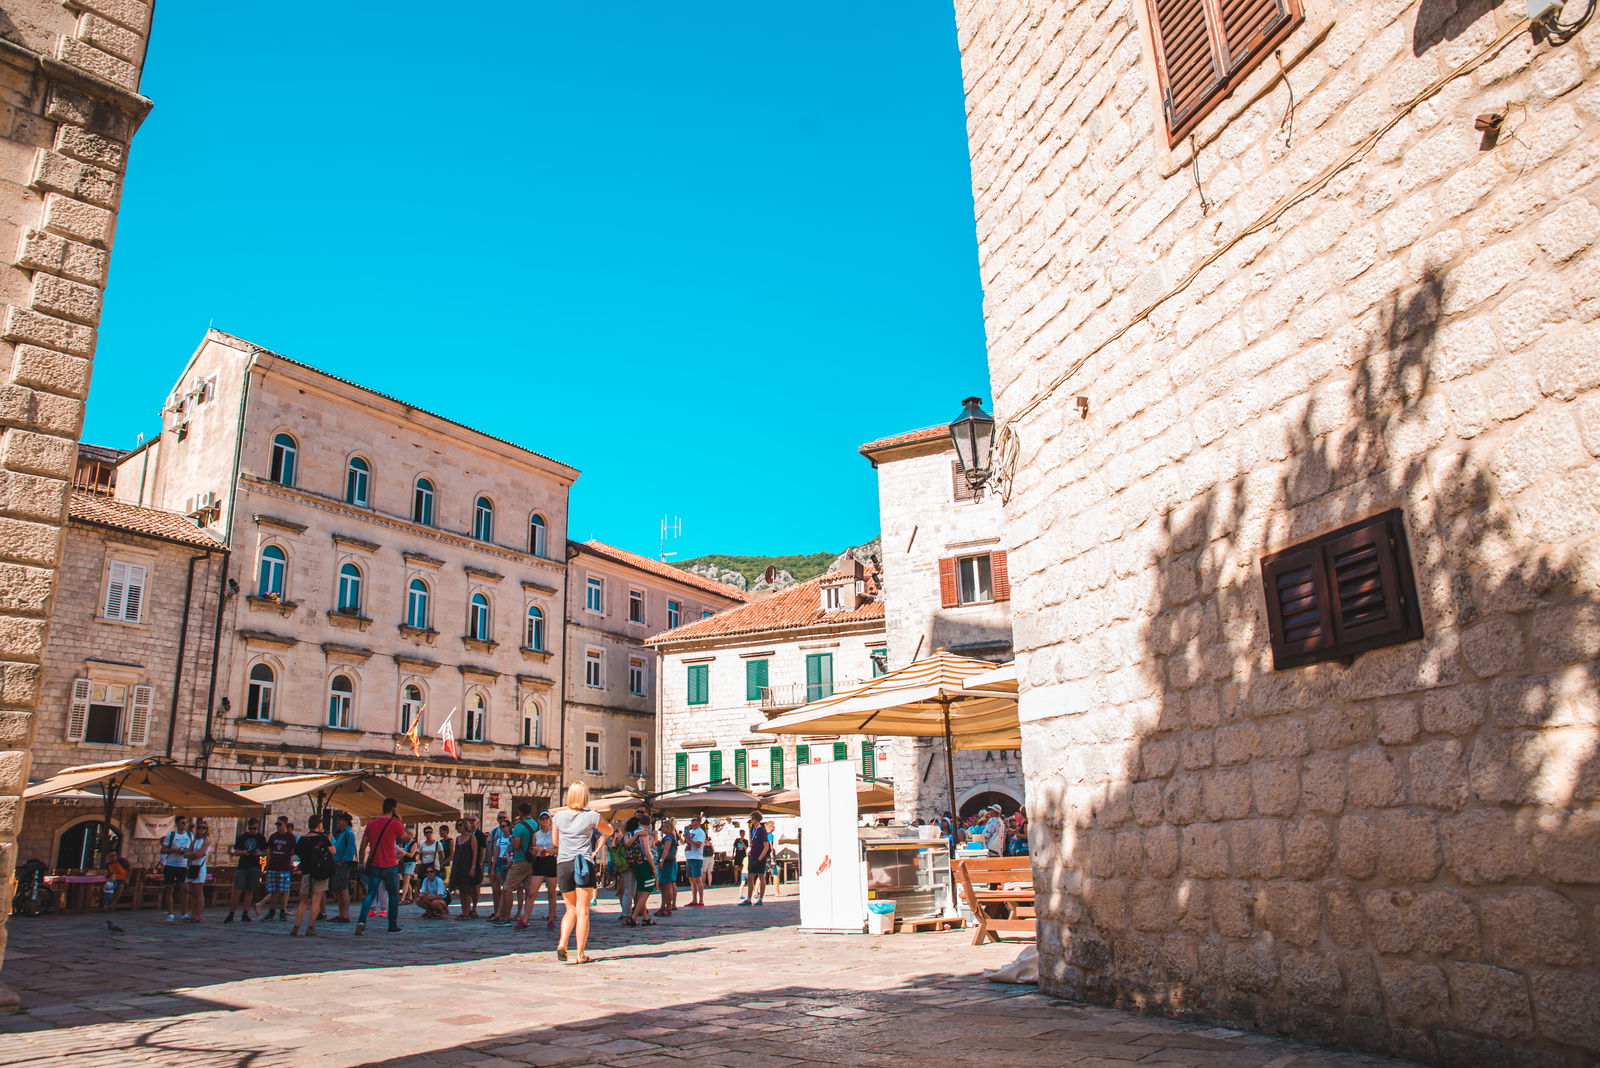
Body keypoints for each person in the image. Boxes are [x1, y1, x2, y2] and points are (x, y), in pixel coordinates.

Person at [552, 780, 612, 964]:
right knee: (583, 910)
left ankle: (562, 942)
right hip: (583, 864)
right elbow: (608, 830)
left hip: (563, 864)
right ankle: (580, 954)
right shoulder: (592, 816)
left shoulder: (558, 817)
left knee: (569, 908)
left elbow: (555, 843)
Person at [355, 798, 406, 935]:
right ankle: (392, 924)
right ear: (394, 808)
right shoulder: (395, 824)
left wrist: (361, 862)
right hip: (390, 864)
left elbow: (363, 846)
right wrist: (399, 820)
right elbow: (407, 838)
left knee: (371, 893)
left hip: (375, 865)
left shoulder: (371, 824)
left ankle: (361, 921)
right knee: (393, 895)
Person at [291, 814, 335, 937]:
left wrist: (296, 868)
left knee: (303, 901)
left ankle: (296, 926)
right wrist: (329, 838)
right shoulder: (322, 839)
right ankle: (310, 927)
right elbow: (333, 851)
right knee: (316, 901)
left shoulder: (303, 839)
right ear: (319, 825)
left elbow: (296, 856)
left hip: (306, 872)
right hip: (320, 872)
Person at [223, 817, 267, 924]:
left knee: (249, 891)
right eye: (251, 828)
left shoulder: (261, 838)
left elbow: (265, 852)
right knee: (237, 891)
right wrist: (244, 852)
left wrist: (258, 854)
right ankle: (231, 913)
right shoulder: (242, 837)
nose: (253, 831)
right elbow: (236, 851)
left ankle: (245, 913)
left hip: (255, 866)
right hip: (243, 865)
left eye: (255, 828)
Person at [622, 816, 659, 927]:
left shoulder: (631, 833)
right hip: (644, 863)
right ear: (649, 824)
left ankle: (645, 917)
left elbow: (627, 845)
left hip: (634, 863)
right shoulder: (644, 834)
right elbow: (647, 852)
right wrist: (653, 867)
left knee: (640, 891)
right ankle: (633, 917)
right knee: (646, 891)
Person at [504, 803, 536, 931]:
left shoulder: (519, 826)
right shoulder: (536, 824)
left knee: (508, 888)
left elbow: (516, 845)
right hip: (533, 860)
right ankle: (526, 917)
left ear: (520, 812)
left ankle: (506, 917)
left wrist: (511, 839)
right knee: (529, 891)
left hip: (520, 859)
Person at [258, 816, 297, 921]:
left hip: (284, 867)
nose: (278, 826)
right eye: (277, 824)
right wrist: (267, 864)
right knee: (274, 891)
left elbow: (293, 851)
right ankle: (271, 911)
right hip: (273, 866)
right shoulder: (273, 837)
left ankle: (283, 911)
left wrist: (291, 862)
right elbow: (269, 851)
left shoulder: (290, 837)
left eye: (279, 824)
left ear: (285, 824)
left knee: (283, 891)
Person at [528, 810, 559, 929]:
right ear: (539, 821)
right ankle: (526, 918)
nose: (544, 821)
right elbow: (534, 850)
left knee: (551, 893)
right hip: (540, 861)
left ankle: (551, 918)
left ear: (550, 821)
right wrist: (535, 851)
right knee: (532, 892)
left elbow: (558, 849)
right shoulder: (536, 835)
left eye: (546, 819)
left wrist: (545, 849)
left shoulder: (555, 834)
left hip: (551, 860)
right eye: (542, 819)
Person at [160, 814, 192, 922]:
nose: (185, 825)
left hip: (183, 865)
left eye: (186, 822)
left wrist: (186, 852)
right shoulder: (171, 835)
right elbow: (163, 850)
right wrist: (174, 850)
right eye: (182, 822)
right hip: (171, 864)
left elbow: (192, 849)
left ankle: (184, 912)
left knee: (184, 889)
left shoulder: (190, 835)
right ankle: (170, 913)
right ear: (177, 824)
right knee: (169, 889)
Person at [449, 818, 482, 919]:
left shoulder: (472, 837)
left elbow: (475, 852)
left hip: (468, 865)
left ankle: (467, 912)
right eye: (457, 825)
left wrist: (473, 867)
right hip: (459, 866)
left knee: (467, 890)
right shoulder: (458, 838)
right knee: (461, 890)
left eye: (460, 825)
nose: (459, 827)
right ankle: (464, 911)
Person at [328, 812, 357, 923]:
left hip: (343, 865)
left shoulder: (349, 833)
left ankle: (345, 914)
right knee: (339, 889)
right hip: (338, 864)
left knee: (343, 889)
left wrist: (343, 860)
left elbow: (350, 848)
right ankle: (341, 913)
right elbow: (336, 847)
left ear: (345, 821)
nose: (337, 823)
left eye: (339, 820)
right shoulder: (343, 834)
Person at [487, 812, 513, 923]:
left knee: (506, 890)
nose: (502, 827)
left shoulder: (512, 837)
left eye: (504, 821)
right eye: (500, 820)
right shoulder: (496, 835)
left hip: (508, 863)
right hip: (499, 862)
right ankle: (497, 911)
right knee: (496, 889)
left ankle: (505, 912)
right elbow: (494, 850)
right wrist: (491, 865)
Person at [185, 819, 212, 923]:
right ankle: (193, 914)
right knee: (191, 891)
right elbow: (187, 853)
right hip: (192, 866)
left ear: (206, 830)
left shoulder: (207, 840)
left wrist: (191, 854)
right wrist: (192, 854)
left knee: (198, 891)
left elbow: (199, 854)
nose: (201, 829)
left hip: (200, 867)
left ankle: (198, 914)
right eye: (199, 827)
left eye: (203, 828)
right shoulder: (195, 840)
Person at [741, 813, 769, 907]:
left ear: (756, 819)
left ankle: (760, 899)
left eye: (752, 819)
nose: (751, 820)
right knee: (750, 877)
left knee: (761, 877)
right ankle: (748, 899)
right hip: (752, 856)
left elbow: (766, 846)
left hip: (759, 857)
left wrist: (761, 857)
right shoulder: (753, 830)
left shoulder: (762, 830)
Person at [655, 818, 679, 917]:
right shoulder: (670, 837)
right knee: (663, 885)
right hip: (668, 862)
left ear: (668, 827)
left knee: (667, 885)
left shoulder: (668, 838)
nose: (662, 829)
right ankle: (663, 906)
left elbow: (666, 849)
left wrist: (662, 860)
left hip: (668, 863)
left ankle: (668, 907)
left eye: (664, 827)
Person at [682, 816, 708, 908]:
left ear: (698, 822)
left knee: (697, 878)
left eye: (694, 820)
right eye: (691, 820)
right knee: (691, 879)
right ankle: (694, 899)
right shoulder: (691, 831)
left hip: (696, 857)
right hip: (689, 856)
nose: (692, 822)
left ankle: (701, 900)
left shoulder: (700, 832)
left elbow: (698, 844)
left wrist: (689, 840)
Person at [102, 847, 130, 917]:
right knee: (105, 886)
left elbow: (130, 869)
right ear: (108, 857)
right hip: (112, 880)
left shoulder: (121, 861)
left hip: (122, 879)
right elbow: (107, 874)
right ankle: (105, 904)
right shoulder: (108, 865)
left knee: (120, 886)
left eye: (115, 855)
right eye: (111, 856)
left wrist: (128, 878)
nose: (114, 857)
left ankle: (113, 904)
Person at [397, 828, 418, 904]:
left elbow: (411, 854)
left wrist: (403, 852)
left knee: (405, 881)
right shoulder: (404, 842)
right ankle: (410, 897)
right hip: (404, 862)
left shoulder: (414, 843)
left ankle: (402, 898)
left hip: (410, 863)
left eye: (408, 833)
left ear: (412, 835)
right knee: (407, 881)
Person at [764, 820, 785, 895]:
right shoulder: (770, 835)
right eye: (773, 825)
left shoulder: (763, 834)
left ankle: (756, 891)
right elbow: (770, 846)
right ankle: (777, 892)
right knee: (776, 873)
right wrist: (772, 857)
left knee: (762, 874)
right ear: (770, 827)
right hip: (769, 856)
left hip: (764, 856)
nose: (774, 827)